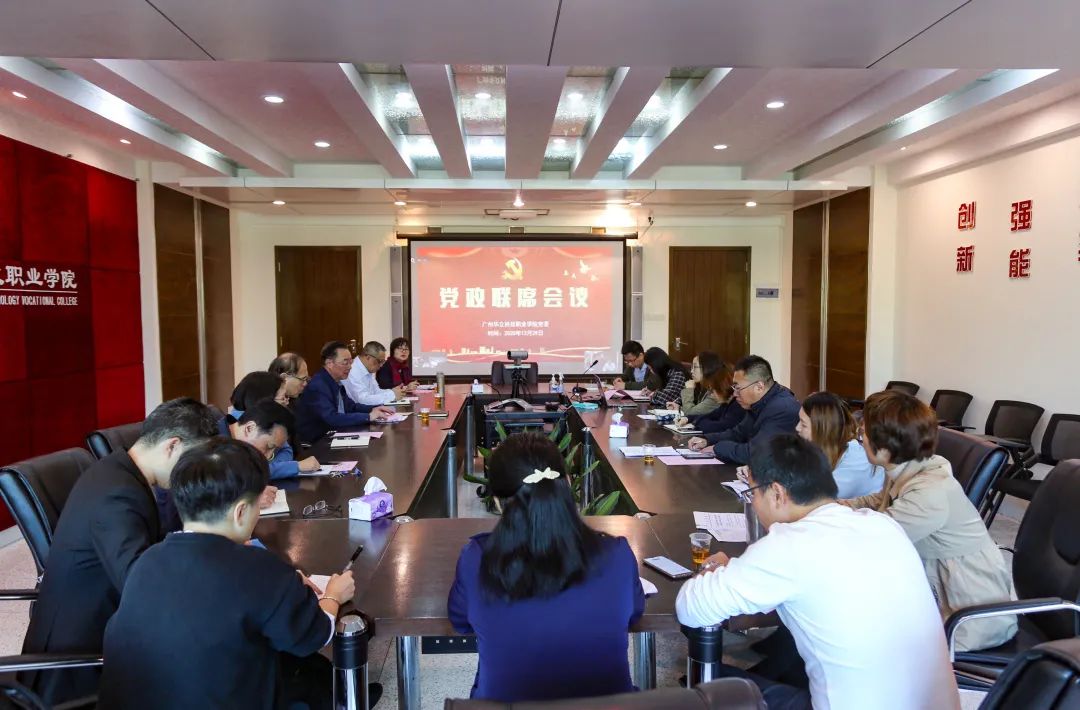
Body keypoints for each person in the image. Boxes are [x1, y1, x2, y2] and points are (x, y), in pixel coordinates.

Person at [677, 435, 960, 710]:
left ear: (777, 493)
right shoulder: (884, 525)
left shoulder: (790, 544)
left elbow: (690, 608)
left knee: (707, 687)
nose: (753, 503)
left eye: (752, 493)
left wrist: (715, 570)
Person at [98, 438, 365, 710]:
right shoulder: (258, 568)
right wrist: (333, 595)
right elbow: (314, 635)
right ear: (240, 512)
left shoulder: (147, 561)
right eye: (257, 506)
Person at [20, 398, 219, 705]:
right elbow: (138, 586)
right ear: (172, 446)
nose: (192, 473)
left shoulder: (118, 471)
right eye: (194, 461)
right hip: (79, 663)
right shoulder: (118, 494)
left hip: (107, 626)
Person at [448, 432, 644, 702]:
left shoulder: (476, 559)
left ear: (497, 501)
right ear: (568, 483)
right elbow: (634, 614)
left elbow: (460, 621)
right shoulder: (618, 554)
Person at [842, 390, 1018, 652]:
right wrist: (831, 507)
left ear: (886, 446)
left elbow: (875, 540)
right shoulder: (908, 466)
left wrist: (820, 519)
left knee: (848, 625)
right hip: (929, 596)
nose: (860, 440)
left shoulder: (930, 492)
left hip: (964, 617)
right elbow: (877, 501)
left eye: (862, 434)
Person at [688, 355, 799, 465]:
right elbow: (738, 434)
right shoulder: (757, 403)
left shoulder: (782, 409)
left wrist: (718, 447)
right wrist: (707, 440)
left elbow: (756, 453)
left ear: (759, 387)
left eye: (738, 388)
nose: (735, 394)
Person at [295, 340, 396, 443]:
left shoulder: (336, 382)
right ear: (329, 363)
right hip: (318, 442)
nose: (350, 367)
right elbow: (332, 418)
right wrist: (368, 416)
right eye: (345, 363)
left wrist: (374, 409)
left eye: (350, 362)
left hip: (335, 435)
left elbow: (351, 407)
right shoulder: (318, 385)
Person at [228, 370, 320, 478]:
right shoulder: (238, 428)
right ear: (264, 400)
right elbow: (249, 473)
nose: (287, 402)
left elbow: (286, 450)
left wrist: (272, 467)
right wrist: (292, 467)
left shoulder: (273, 424)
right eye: (283, 398)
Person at [796, 391, 884, 498]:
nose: (797, 428)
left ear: (823, 430)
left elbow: (813, 498)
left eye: (803, 424)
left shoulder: (856, 461)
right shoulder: (826, 452)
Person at [345, 340, 408, 406]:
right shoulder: (352, 370)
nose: (381, 365)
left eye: (383, 362)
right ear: (368, 358)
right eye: (380, 361)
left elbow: (376, 391)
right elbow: (362, 400)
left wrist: (393, 391)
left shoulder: (368, 369)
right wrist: (392, 395)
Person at [667, 351, 727, 418]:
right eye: (691, 367)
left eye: (695, 367)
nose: (691, 371)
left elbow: (690, 413)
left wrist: (689, 390)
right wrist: (679, 408)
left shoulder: (716, 394)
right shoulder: (703, 387)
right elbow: (696, 410)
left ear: (707, 368)